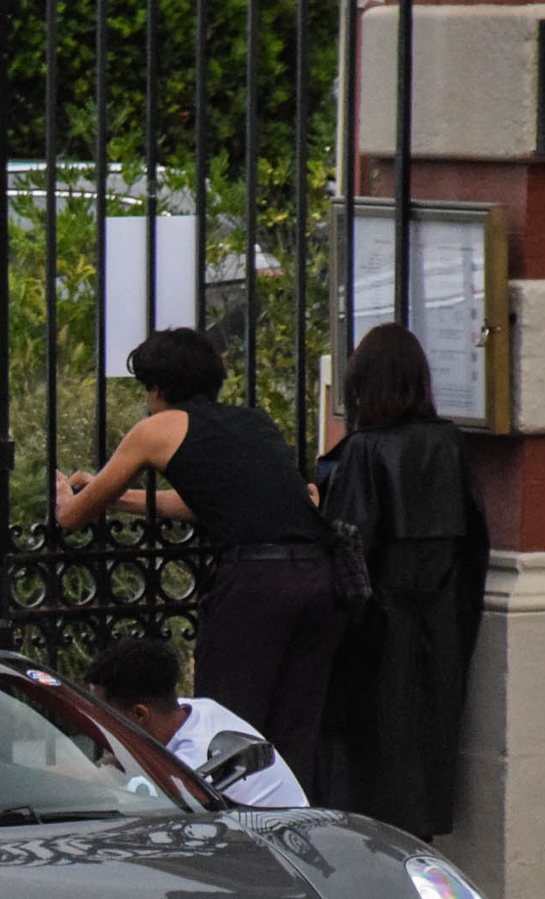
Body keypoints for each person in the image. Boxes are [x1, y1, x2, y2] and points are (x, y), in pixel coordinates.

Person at [55, 327, 342, 789]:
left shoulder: (156, 428)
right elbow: (203, 504)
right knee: (294, 731)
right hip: (317, 577)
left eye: (146, 389)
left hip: (255, 584)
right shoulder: (253, 421)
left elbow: (71, 519)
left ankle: (220, 837)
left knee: (226, 727)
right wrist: (117, 497)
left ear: (157, 387)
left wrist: (69, 497)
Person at [316, 324, 491, 839]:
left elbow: (348, 548)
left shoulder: (363, 453)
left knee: (375, 754)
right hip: (440, 619)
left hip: (378, 629)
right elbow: (474, 542)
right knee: (428, 745)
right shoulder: (450, 444)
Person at [85, 636, 305, 808]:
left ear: (140, 715)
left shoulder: (193, 770)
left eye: (102, 713)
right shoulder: (195, 708)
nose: (95, 721)